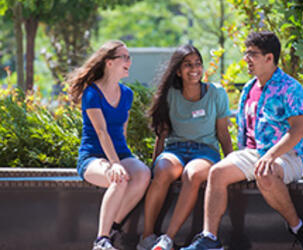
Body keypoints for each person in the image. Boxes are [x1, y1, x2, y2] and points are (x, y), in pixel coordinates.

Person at [182, 32, 303, 250]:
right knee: (217, 173)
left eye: (252, 54)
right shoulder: (248, 88)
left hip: (286, 155)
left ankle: (298, 229)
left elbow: (297, 130)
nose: (246, 59)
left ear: (269, 58)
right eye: (246, 54)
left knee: (265, 173)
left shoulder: (290, 87)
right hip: (253, 153)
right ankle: (210, 238)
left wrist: (271, 155)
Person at [136, 44, 233, 250]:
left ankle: (167, 239)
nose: (194, 69)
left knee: (192, 174)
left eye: (198, 63)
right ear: (178, 71)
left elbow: (223, 134)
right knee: (162, 171)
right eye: (188, 65)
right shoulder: (169, 95)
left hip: (205, 152)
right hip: (175, 150)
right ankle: (146, 237)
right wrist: (155, 163)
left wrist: (232, 163)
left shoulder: (216, 93)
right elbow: (161, 134)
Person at [68, 40, 151, 250]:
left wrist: (123, 159)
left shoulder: (127, 95)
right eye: (124, 57)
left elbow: (120, 132)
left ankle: (113, 227)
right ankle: (101, 240)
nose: (129, 61)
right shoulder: (92, 93)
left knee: (143, 174)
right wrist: (115, 164)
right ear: (109, 62)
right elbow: (102, 132)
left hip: (119, 153)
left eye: (129, 57)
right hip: (93, 156)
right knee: (120, 178)